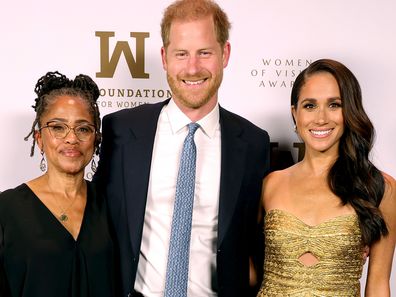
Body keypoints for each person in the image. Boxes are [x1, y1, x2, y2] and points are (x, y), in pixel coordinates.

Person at [93, 0, 270, 296]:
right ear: (164, 57)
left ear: (224, 54)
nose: (192, 67)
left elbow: (261, 241)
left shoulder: (253, 143)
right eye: (181, 54)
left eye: (204, 53)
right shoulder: (120, 131)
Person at [257, 59, 396, 296]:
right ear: (295, 113)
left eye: (334, 105)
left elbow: (378, 285)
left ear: (350, 110)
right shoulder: (271, 184)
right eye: (310, 106)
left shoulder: (380, 187)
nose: (321, 118)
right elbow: (243, 267)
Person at [0, 71, 115, 297]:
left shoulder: (111, 204)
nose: (71, 138)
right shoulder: (6, 210)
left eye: (83, 128)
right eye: (58, 127)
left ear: (96, 139)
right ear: (39, 138)